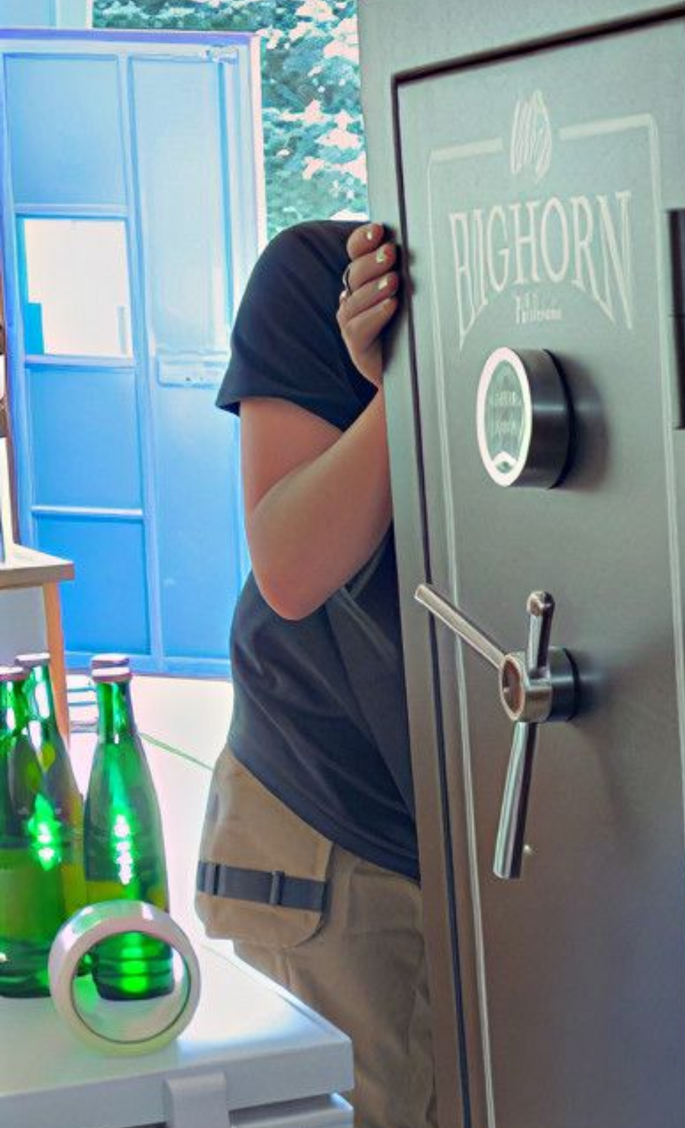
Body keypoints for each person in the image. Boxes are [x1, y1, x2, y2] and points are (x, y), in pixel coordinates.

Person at [201, 220, 428, 1128]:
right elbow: (291, 569)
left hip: (516, 832)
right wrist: (408, 385)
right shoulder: (323, 272)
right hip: (329, 808)